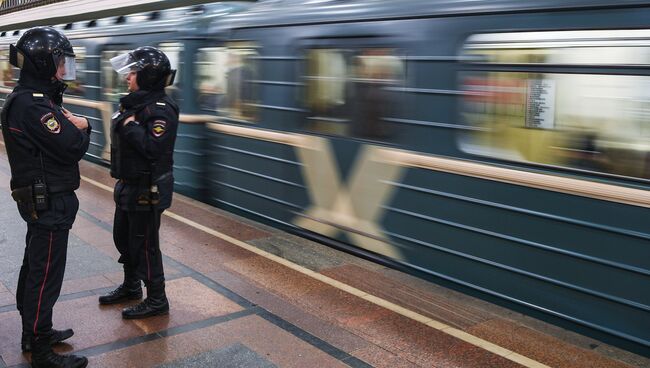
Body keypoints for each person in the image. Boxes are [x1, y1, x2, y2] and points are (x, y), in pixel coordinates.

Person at [0, 27, 90, 368]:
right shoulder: (33, 105)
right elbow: (70, 147)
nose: (64, 70)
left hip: (43, 199)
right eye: (59, 63)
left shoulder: (32, 99)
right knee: (45, 273)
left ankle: (34, 330)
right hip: (49, 201)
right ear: (42, 64)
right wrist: (84, 128)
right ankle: (39, 348)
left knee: (36, 266)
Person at [97, 47, 178, 320]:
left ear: (148, 77)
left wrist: (131, 127)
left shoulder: (161, 110)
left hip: (148, 189)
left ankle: (157, 299)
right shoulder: (135, 104)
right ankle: (131, 286)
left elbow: (154, 149)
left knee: (145, 245)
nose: (127, 77)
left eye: (133, 72)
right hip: (129, 184)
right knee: (124, 238)